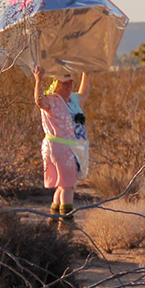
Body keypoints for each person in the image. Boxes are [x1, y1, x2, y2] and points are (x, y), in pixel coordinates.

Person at [34, 67, 88, 222]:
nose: (68, 86)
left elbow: (84, 94)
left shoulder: (72, 101)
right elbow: (39, 100)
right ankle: (66, 222)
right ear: (57, 84)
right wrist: (38, 80)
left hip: (70, 147)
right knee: (68, 185)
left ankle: (54, 218)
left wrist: (86, 73)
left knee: (62, 184)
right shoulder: (52, 100)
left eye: (70, 83)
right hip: (60, 146)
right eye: (64, 83)